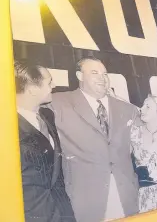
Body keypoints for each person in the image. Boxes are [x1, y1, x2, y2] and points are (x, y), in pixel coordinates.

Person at [51, 57, 139, 222]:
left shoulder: (128, 109)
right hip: (85, 200)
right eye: (94, 72)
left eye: (105, 73)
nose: (102, 78)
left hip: (126, 197)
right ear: (79, 75)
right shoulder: (58, 103)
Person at [14, 60, 76, 222]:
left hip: (63, 211)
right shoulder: (8, 126)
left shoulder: (48, 116)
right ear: (33, 90)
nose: (54, 85)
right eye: (49, 82)